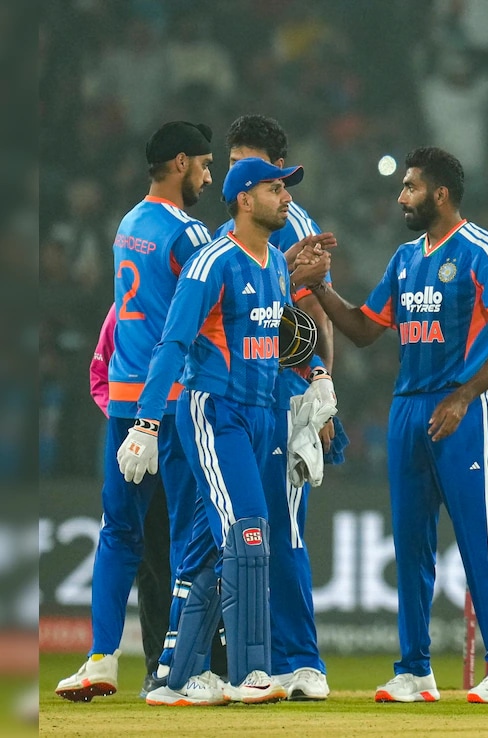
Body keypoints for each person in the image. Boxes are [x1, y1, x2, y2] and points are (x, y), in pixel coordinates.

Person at [293, 146, 488, 703]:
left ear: (440, 194)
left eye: (411, 187)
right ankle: (414, 670)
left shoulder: (484, 251)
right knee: (410, 546)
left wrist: (464, 395)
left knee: (480, 539)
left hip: (465, 410)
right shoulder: (405, 259)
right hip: (407, 408)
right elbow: (363, 330)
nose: (401, 196)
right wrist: (320, 287)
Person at [130, 156, 337, 706]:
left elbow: (284, 336)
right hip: (216, 412)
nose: (286, 198)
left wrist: (316, 373)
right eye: (275, 189)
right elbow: (173, 343)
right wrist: (146, 422)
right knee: (249, 531)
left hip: (262, 416)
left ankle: (178, 677)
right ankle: (251, 673)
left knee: (206, 547)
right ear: (244, 199)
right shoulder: (211, 263)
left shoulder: (273, 266)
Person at [55, 121, 214, 702]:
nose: (208, 177)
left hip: (124, 399)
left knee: (119, 532)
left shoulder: (129, 223)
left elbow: (127, 312)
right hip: (170, 404)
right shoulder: (188, 234)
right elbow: (202, 314)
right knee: (185, 537)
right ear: (181, 162)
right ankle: (177, 667)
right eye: (205, 165)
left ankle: (101, 659)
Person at [210, 114, 338, 701]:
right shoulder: (231, 230)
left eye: (249, 163)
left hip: (283, 400)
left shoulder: (290, 225)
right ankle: (241, 661)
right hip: (237, 402)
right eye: (232, 161)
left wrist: (318, 391)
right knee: (245, 531)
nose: (236, 172)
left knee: (282, 530)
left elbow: (311, 315)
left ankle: (302, 661)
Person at [86, 305, 174, 698]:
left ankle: (199, 662)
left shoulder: (198, 294)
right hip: (141, 446)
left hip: (184, 438)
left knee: (187, 553)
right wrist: (132, 425)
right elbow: (99, 375)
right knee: (153, 559)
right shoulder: (125, 307)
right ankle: (159, 667)